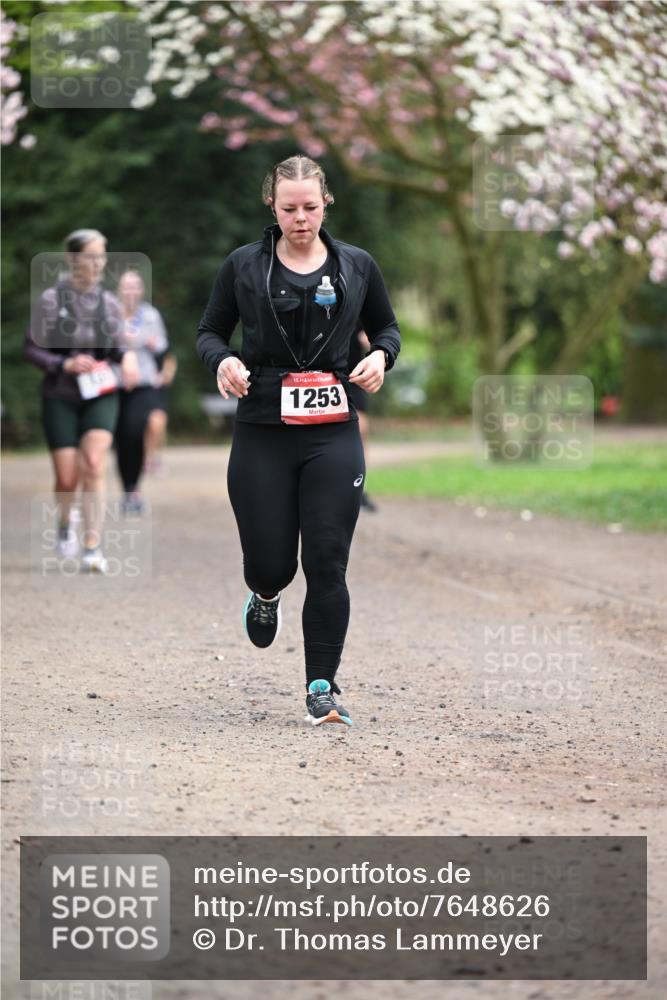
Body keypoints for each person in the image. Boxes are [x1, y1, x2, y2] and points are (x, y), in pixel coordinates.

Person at [197, 155, 400, 727]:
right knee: (270, 562)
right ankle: (264, 595)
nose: (301, 218)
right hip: (263, 429)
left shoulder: (356, 266)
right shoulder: (243, 266)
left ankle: (322, 686)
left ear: (326, 203)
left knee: (328, 560)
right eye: (289, 208)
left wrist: (382, 357)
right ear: (272, 206)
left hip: (333, 431)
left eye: (310, 207)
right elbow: (209, 331)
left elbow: (386, 327)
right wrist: (224, 360)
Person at [24, 228, 138, 572]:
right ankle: (64, 524)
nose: (99, 262)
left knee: (93, 463)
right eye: (91, 255)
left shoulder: (109, 303)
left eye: (102, 255)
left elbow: (119, 348)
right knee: (67, 477)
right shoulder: (50, 301)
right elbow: (30, 348)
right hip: (60, 394)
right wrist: (64, 363)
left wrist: (128, 359)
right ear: (74, 260)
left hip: (100, 394)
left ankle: (92, 544)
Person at [114, 270, 171, 513]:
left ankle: (135, 488)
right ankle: (127, 490)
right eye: (126, 287)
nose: (131, 291)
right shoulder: (110, 314)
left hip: (144, 382)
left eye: (135, 286)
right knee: (121, 439)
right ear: (119, 290)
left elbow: (162, 345)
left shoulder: (149, 314)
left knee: (136, 433)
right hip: (115, 384)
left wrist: (148, 341)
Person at [347, 328, 378, 512]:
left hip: (354, 374)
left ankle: (359, 486)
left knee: (361, 429)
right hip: (324, 372)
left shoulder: (358, 299)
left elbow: (376, 328)